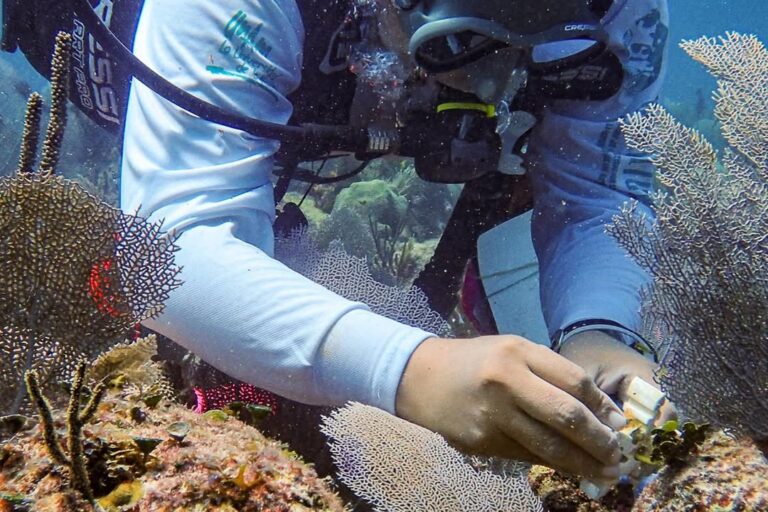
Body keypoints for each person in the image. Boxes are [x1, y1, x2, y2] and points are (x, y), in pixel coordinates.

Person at [2, 0, 670, 483]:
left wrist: (602, 331)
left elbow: (596, 195)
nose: (500, 85)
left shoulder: (623, 16)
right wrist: (412, 370)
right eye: (466, 41)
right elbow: (173, 251)